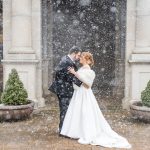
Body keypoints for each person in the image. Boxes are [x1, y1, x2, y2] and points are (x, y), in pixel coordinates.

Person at [60, 52, 131, 149]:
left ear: (87, 60)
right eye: (80, 57)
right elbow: (79, 81)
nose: (80, 58)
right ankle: (77, 131)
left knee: (85, 112)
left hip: (85, 94)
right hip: (79, 93)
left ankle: (86, 132)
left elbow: (88, 84)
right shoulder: (81, 69)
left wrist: (75, 73)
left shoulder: (89, 71)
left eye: (82, 57)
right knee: (78, 112)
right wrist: (74, 76)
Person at [48, 46, 83, 134]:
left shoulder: (67, 60)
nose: (79, 58)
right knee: (65, 110)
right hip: (64, 90)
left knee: (65, 110)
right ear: (74, 53)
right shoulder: (67, 62)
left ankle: (64, 129)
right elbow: (69, 77)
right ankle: (63, 131)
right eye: (78, 55)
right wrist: (82, 82)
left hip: (63, 89)